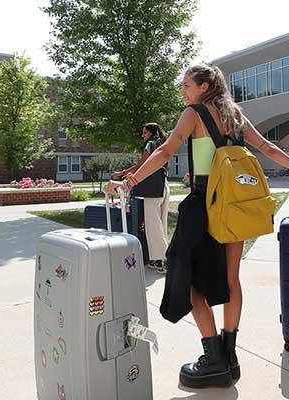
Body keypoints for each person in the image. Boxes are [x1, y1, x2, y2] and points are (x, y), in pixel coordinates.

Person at [104, 64, 289, 389]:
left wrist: (131, 179)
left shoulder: (193, 113)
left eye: (186, 84)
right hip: (234, 206)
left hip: (204, 206)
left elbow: (165, 150)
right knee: (231, 279)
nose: (183, 90)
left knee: (188, 281)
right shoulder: (235, 116)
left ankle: (213, 358)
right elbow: (269, 149)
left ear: (204, 86)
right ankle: (229, 357)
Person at [112, 123, 169, 274]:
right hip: (162, 185)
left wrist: (122, 173)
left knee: (153, 225)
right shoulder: (162, 143)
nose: (142, 135)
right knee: (160, 223)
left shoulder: (151, 144)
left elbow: (141, 164)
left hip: (152, 189)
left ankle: (162, 260)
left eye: (144, 132)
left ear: (151, 133)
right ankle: (163, 258)